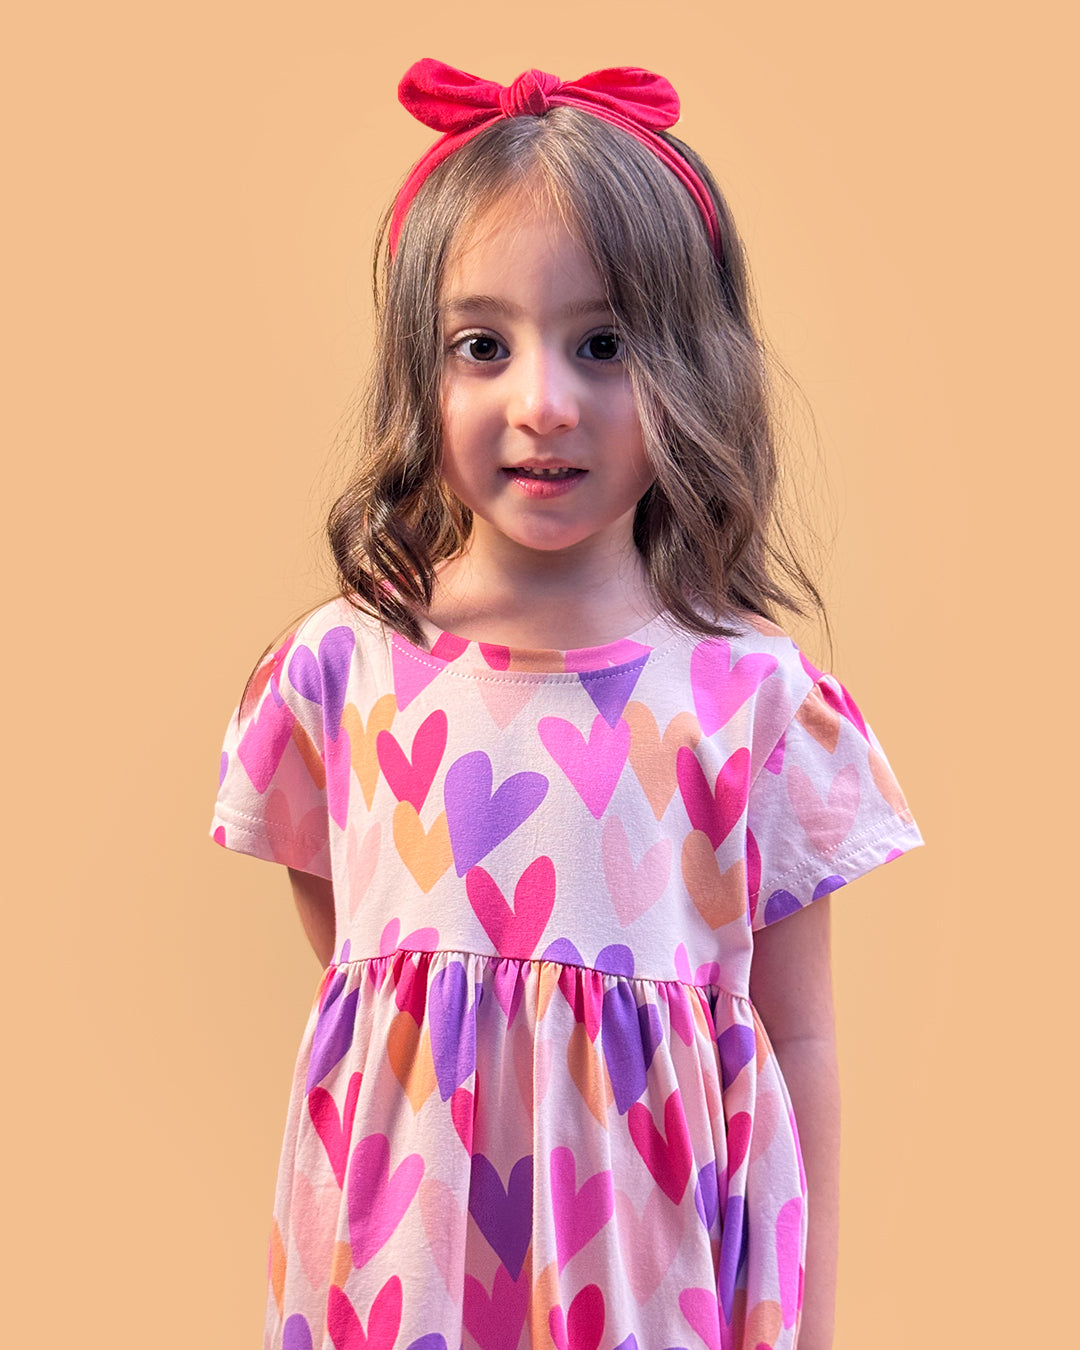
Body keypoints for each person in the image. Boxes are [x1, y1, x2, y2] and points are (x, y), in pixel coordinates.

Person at [210, 58, 924, 1350]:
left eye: (603, 343)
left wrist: (808, 1322)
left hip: (653, 1281)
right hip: (398, 1281)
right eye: (482, 344)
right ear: (418, 372)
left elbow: (798, 1037)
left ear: (691, 368)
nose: (542, 401)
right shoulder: (339, 671)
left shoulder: (753, 701)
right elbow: (364, 983)